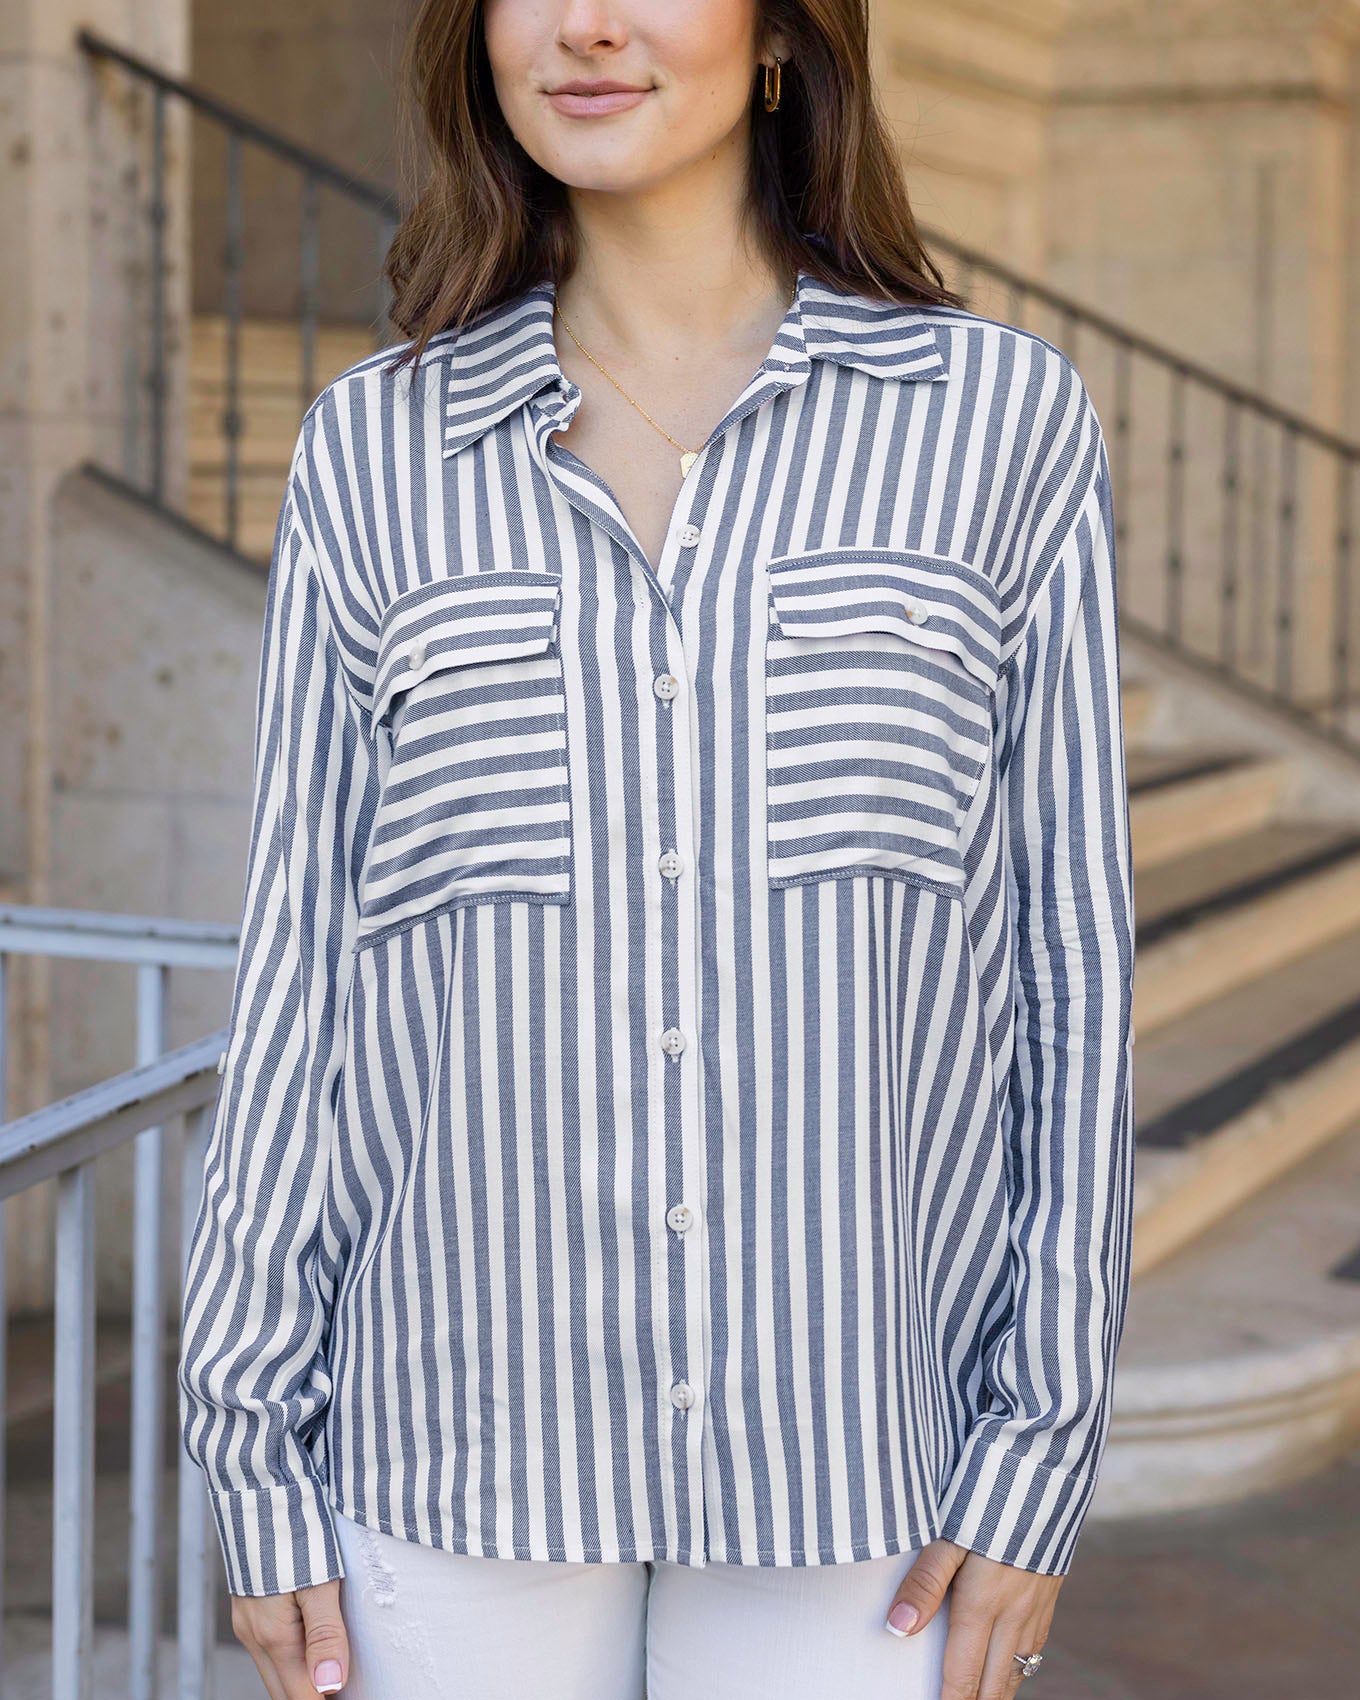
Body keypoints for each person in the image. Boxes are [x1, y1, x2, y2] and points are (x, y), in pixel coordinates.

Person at [177, 1, 1136, 1696]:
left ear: (780, 32)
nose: (588, 25)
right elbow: (303, 981)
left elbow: (1069, 971)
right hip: (452, 1451)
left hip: (862, 1466)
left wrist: (1040, 1447)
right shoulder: (372, 456)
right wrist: (249, 1445)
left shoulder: (997, 428)